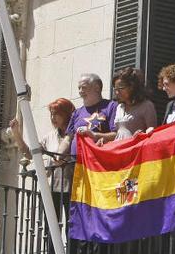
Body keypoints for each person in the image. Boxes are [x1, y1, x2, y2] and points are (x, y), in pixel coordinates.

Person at [9, 98, 75, 254]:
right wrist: (17, 133)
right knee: (50, 227)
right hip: (50, 188)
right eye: (51, 114)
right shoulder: (49, 137)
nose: (53, 118)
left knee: (72, 227)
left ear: (65, 114)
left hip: (72, 188)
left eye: (56, 114)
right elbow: (30, 154)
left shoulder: (75, 135)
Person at [57, 74, 119, 157]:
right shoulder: (76, 113)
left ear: (97, 88)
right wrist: (58, 155)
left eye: (84, 87)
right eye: (79, 88)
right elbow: (68, 139)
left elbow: (117, 135)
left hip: (98, 163)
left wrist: (94, 135)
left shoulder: (111, 106)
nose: (80, 91)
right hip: (76, 165)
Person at [104, 67, 158, 142]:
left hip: (136, 151)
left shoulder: (147, 106)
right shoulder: (119, 107)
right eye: (115, 89)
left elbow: (153, 132)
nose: (117, 93)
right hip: (120, 150)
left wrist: (143, 135)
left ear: (132, 86)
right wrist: (105, 140)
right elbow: (119, 134)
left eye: (120, 88)